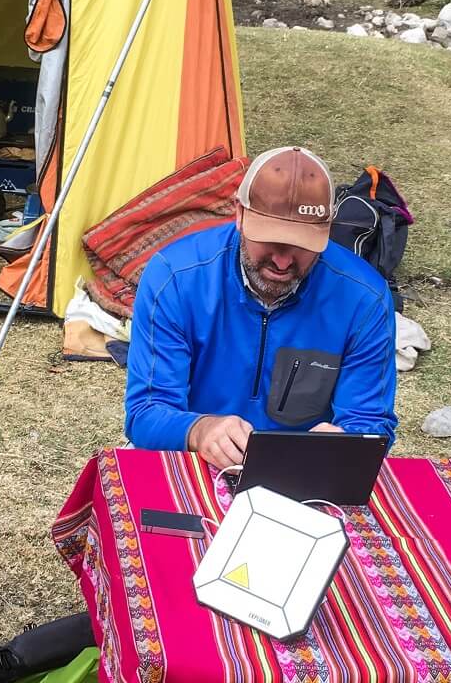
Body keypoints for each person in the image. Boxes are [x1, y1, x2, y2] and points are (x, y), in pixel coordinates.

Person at [124, 146, 397, 470]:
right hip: (190, 456)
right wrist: (199, 430)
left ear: (326, 231)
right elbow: (146, 413)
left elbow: (370, 423)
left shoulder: (364, 299)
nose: (283, 261)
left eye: (301, 245)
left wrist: (346, 440)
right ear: (239, 214)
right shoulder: (175, 278)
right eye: (271, 240)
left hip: (304, 469)